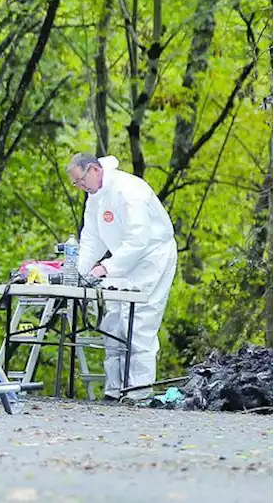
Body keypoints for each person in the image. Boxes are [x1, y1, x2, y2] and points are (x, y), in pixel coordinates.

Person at [66, 152, 177, 400]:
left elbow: (139, 239)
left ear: (94, 169)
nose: (80, 186)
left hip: (152, 257)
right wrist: (77, 273)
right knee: (113, 319)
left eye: (80, 180)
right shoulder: (94, 198)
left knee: (139, 322)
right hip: (122, 260)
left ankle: (138, 391)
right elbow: (92, 240)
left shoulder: (129, 190)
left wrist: (107, 267)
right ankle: (115, 390)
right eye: (76, 184)